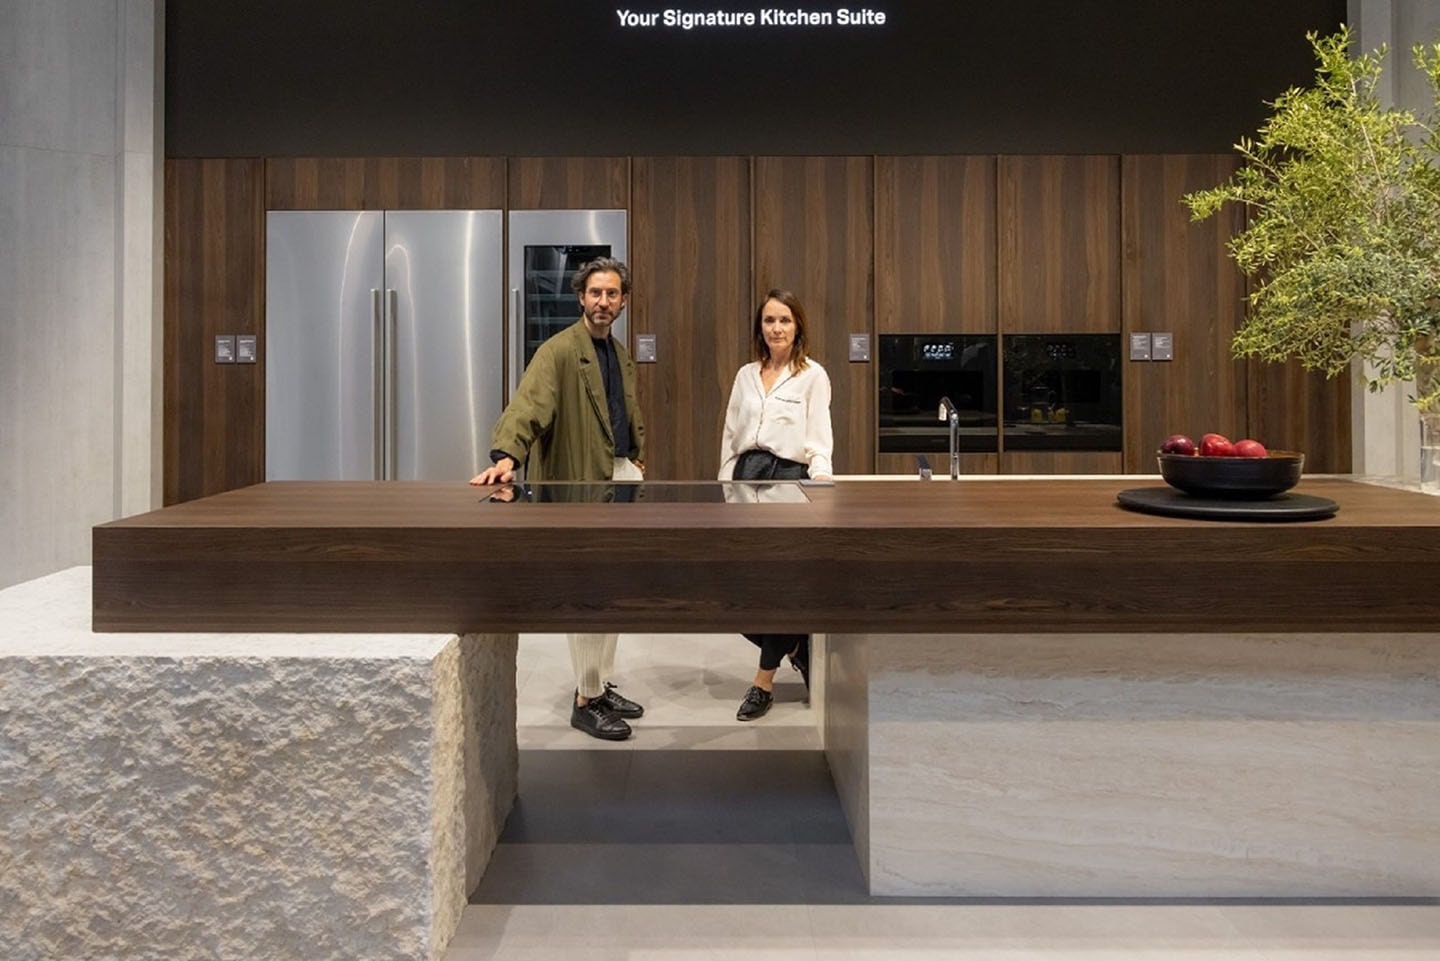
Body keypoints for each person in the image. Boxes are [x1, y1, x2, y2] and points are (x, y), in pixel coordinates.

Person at [469, 257, 647, 741]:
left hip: (618, 483)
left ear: (623, 301)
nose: (603, 302)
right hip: (581, 489)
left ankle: (599, 684)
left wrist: (634, 459)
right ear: (580, 297)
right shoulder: (559, 352)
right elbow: (529, 405)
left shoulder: (619, 352)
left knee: (611, 593)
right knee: (589, 593)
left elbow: (623, 414)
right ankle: (586, 701)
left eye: (612, 294)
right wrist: (506, 454)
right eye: (595, 293)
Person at [717, 288, 834, 721]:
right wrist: (727, 485)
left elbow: (819, 438)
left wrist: (820, 479)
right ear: (760, 328)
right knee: (739, 590)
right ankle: (797, 642)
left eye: (785, 320)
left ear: (797, 325)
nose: (777, 328)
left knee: (783, 586)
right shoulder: (746, 374)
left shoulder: (812, 375)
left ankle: (762, 681)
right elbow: (731, 435)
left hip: (789, 483)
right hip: (746, 481)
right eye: (769, 320)